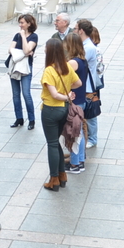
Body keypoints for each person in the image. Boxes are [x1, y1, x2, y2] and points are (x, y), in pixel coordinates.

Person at [40, 39, 81, 191]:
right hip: (64, 110)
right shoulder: (66, 67)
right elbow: (78, 84)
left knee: (51, 143)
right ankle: (62, 175)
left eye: (46, 47)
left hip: (51, 109)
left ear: (50, 51)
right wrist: (69, 93)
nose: (44, 49)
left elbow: (54, 94)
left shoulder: (49, 70)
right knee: (55, 142)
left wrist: (66, 96)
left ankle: (54, 179)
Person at [64, 32, 90, 173]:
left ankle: (74, 164)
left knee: (74, 133)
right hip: (81, 100)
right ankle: (80, 161)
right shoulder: (82, 60)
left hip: (74, 102)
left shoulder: (72, 63)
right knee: (79, 132)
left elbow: (64, 78)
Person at [7, 14, 38, 130]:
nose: (20, 25)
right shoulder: (17, 35)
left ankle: (31, 119)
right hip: (15, 66)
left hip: (26, 67)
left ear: (29, 24)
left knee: (26, 93)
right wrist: (24, 53)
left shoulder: (34, 37)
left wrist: (24, 37)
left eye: (22, 23)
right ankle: (18, 118)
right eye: (19, 23)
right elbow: (10, 50)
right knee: (15, 94)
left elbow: (27, 49)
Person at [75, 19, 101, 149]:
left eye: (75, 28)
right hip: (83, 85)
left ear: (81, 31)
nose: (74, 31)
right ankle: (87, 136)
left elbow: (78, 62)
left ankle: (92, 138)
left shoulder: (89, 47)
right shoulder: (83, 45)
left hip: (88, 87)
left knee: (90, 113)